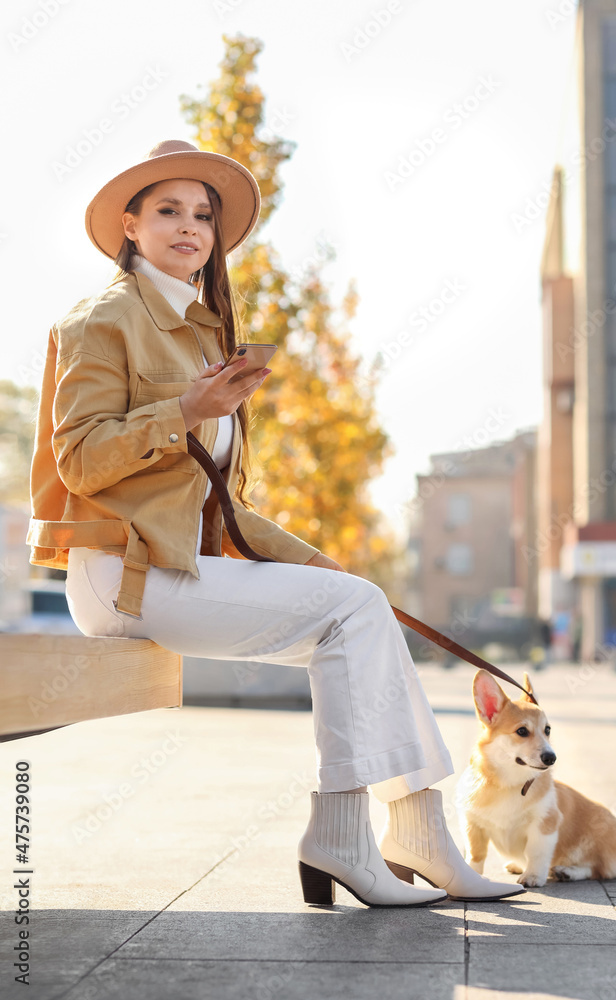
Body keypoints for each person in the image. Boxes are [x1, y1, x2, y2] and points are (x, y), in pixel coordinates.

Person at [27, 139, 523, 908]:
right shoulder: (102, 319)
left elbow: (224, 503)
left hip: (183, 571)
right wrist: (185, 408)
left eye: (203, 215)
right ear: (130, 224)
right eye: (168, 211)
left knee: (357, 615)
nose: (190, 227)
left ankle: (408, 835)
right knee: (355, 616)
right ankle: (359, 838)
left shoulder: (204, 331)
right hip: (122, 576)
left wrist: (320, 565)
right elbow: (80, 462)